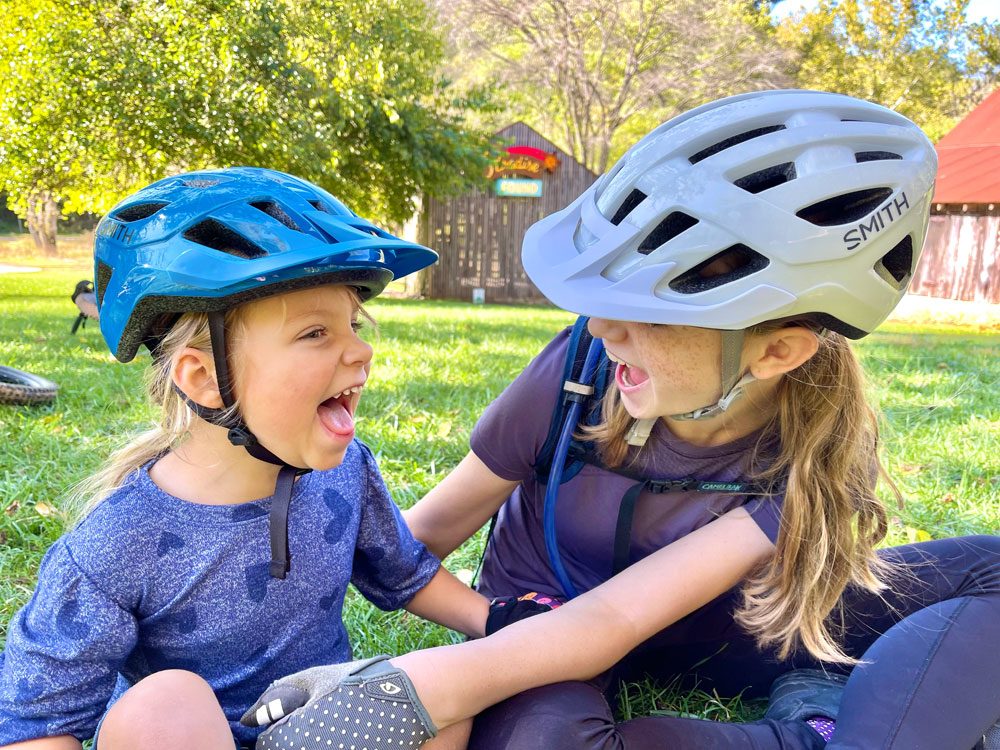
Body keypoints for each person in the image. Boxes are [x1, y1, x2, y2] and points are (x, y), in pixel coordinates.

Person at [244, 90, 1000, 750]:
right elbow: (417, 540)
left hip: (726, 633)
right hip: (544, 622)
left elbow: (621, 620)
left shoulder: (814, 439)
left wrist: (414, 688)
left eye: (652, 311)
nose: (602, 326)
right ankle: (833, 722)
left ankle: (827, 728)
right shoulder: (582, 367)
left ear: (777, 351)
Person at [0, 168, 491, 750]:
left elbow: (401, 571)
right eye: (315, 333)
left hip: (305, 727)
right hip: (185, 738)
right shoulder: (119, 541)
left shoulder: (346, 470)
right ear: (204, 377)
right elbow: (37, 727)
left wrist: (497, 622)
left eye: (353, 326)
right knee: (166, 702)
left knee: (439, 697)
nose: (361, 351)